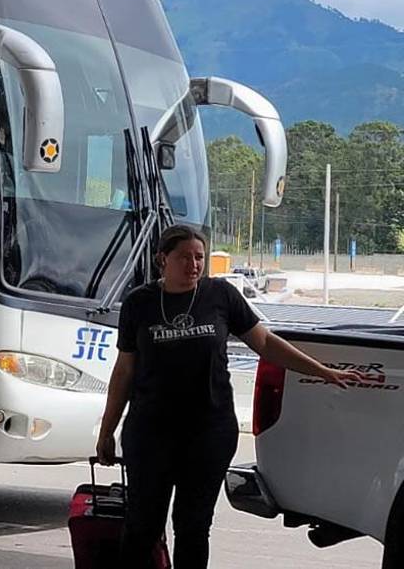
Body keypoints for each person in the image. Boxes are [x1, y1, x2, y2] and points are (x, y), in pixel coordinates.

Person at [97, 225, 362, 568]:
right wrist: (107, 430)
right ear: (162, 259)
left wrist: (323, 371)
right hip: (150, 435)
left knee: (193, 527)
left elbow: (265, 343)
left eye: (199, 257)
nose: (194, 265)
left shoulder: (220, 295)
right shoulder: (139, 303)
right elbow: (124, 372)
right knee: (142, 527)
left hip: (208, 433)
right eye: (184, 258)